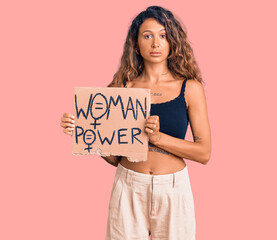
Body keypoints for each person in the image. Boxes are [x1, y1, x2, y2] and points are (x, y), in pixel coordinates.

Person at [60, 5, 211, 240]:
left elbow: (204, 152)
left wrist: (158, 138)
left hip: (173, 189)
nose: (155, 43)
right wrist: (87, 132)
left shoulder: (189, 88)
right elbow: (115, 157)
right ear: (136, 43)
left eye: (163, 35)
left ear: (173, 41)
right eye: (147, 36)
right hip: (128, 186)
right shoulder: (122, 89)